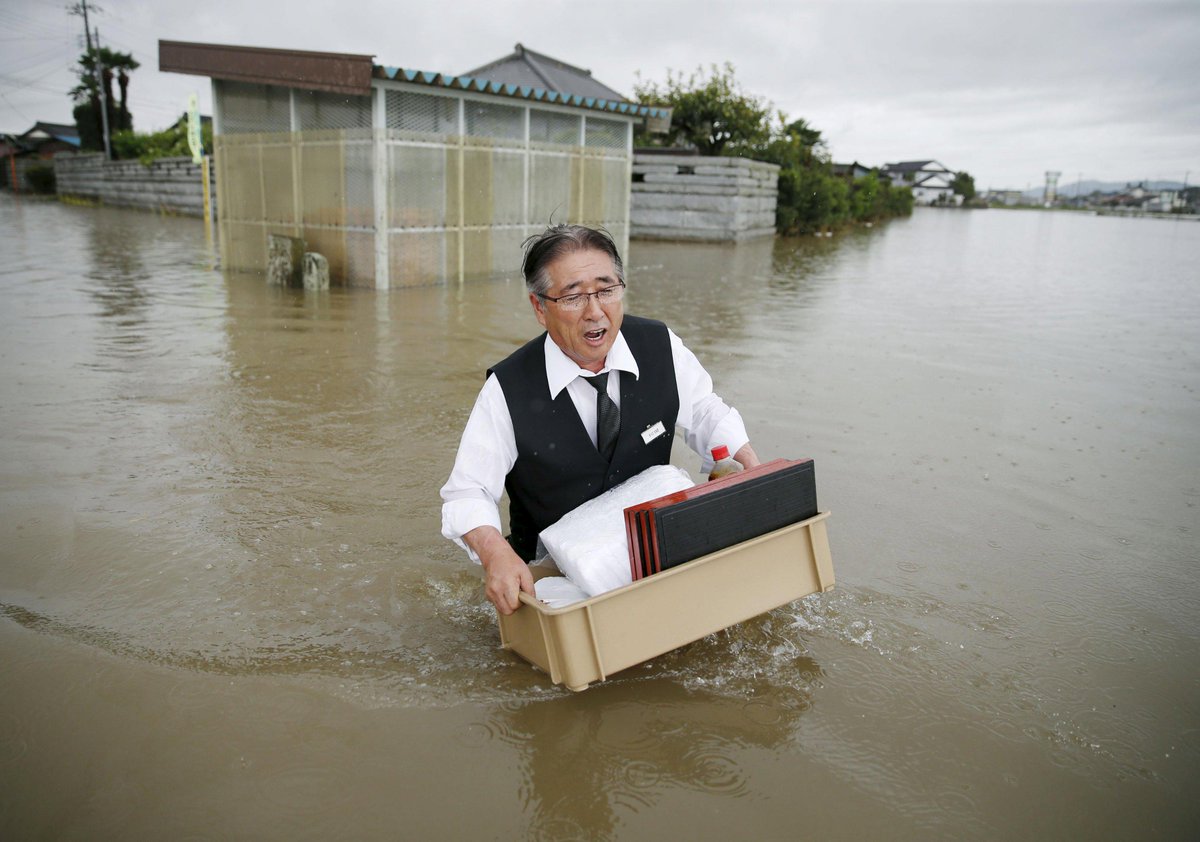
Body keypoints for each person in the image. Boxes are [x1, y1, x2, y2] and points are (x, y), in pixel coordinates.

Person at [440, 224, 760, 614]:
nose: (595, 312)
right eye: (573, 296)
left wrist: (742, 459)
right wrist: (496, 555)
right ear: (540, 307)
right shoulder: (507, 388)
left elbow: (706, 410)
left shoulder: (659, 346)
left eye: (606, 290)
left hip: (650, 554)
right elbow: (467, 490)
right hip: (553, 577)